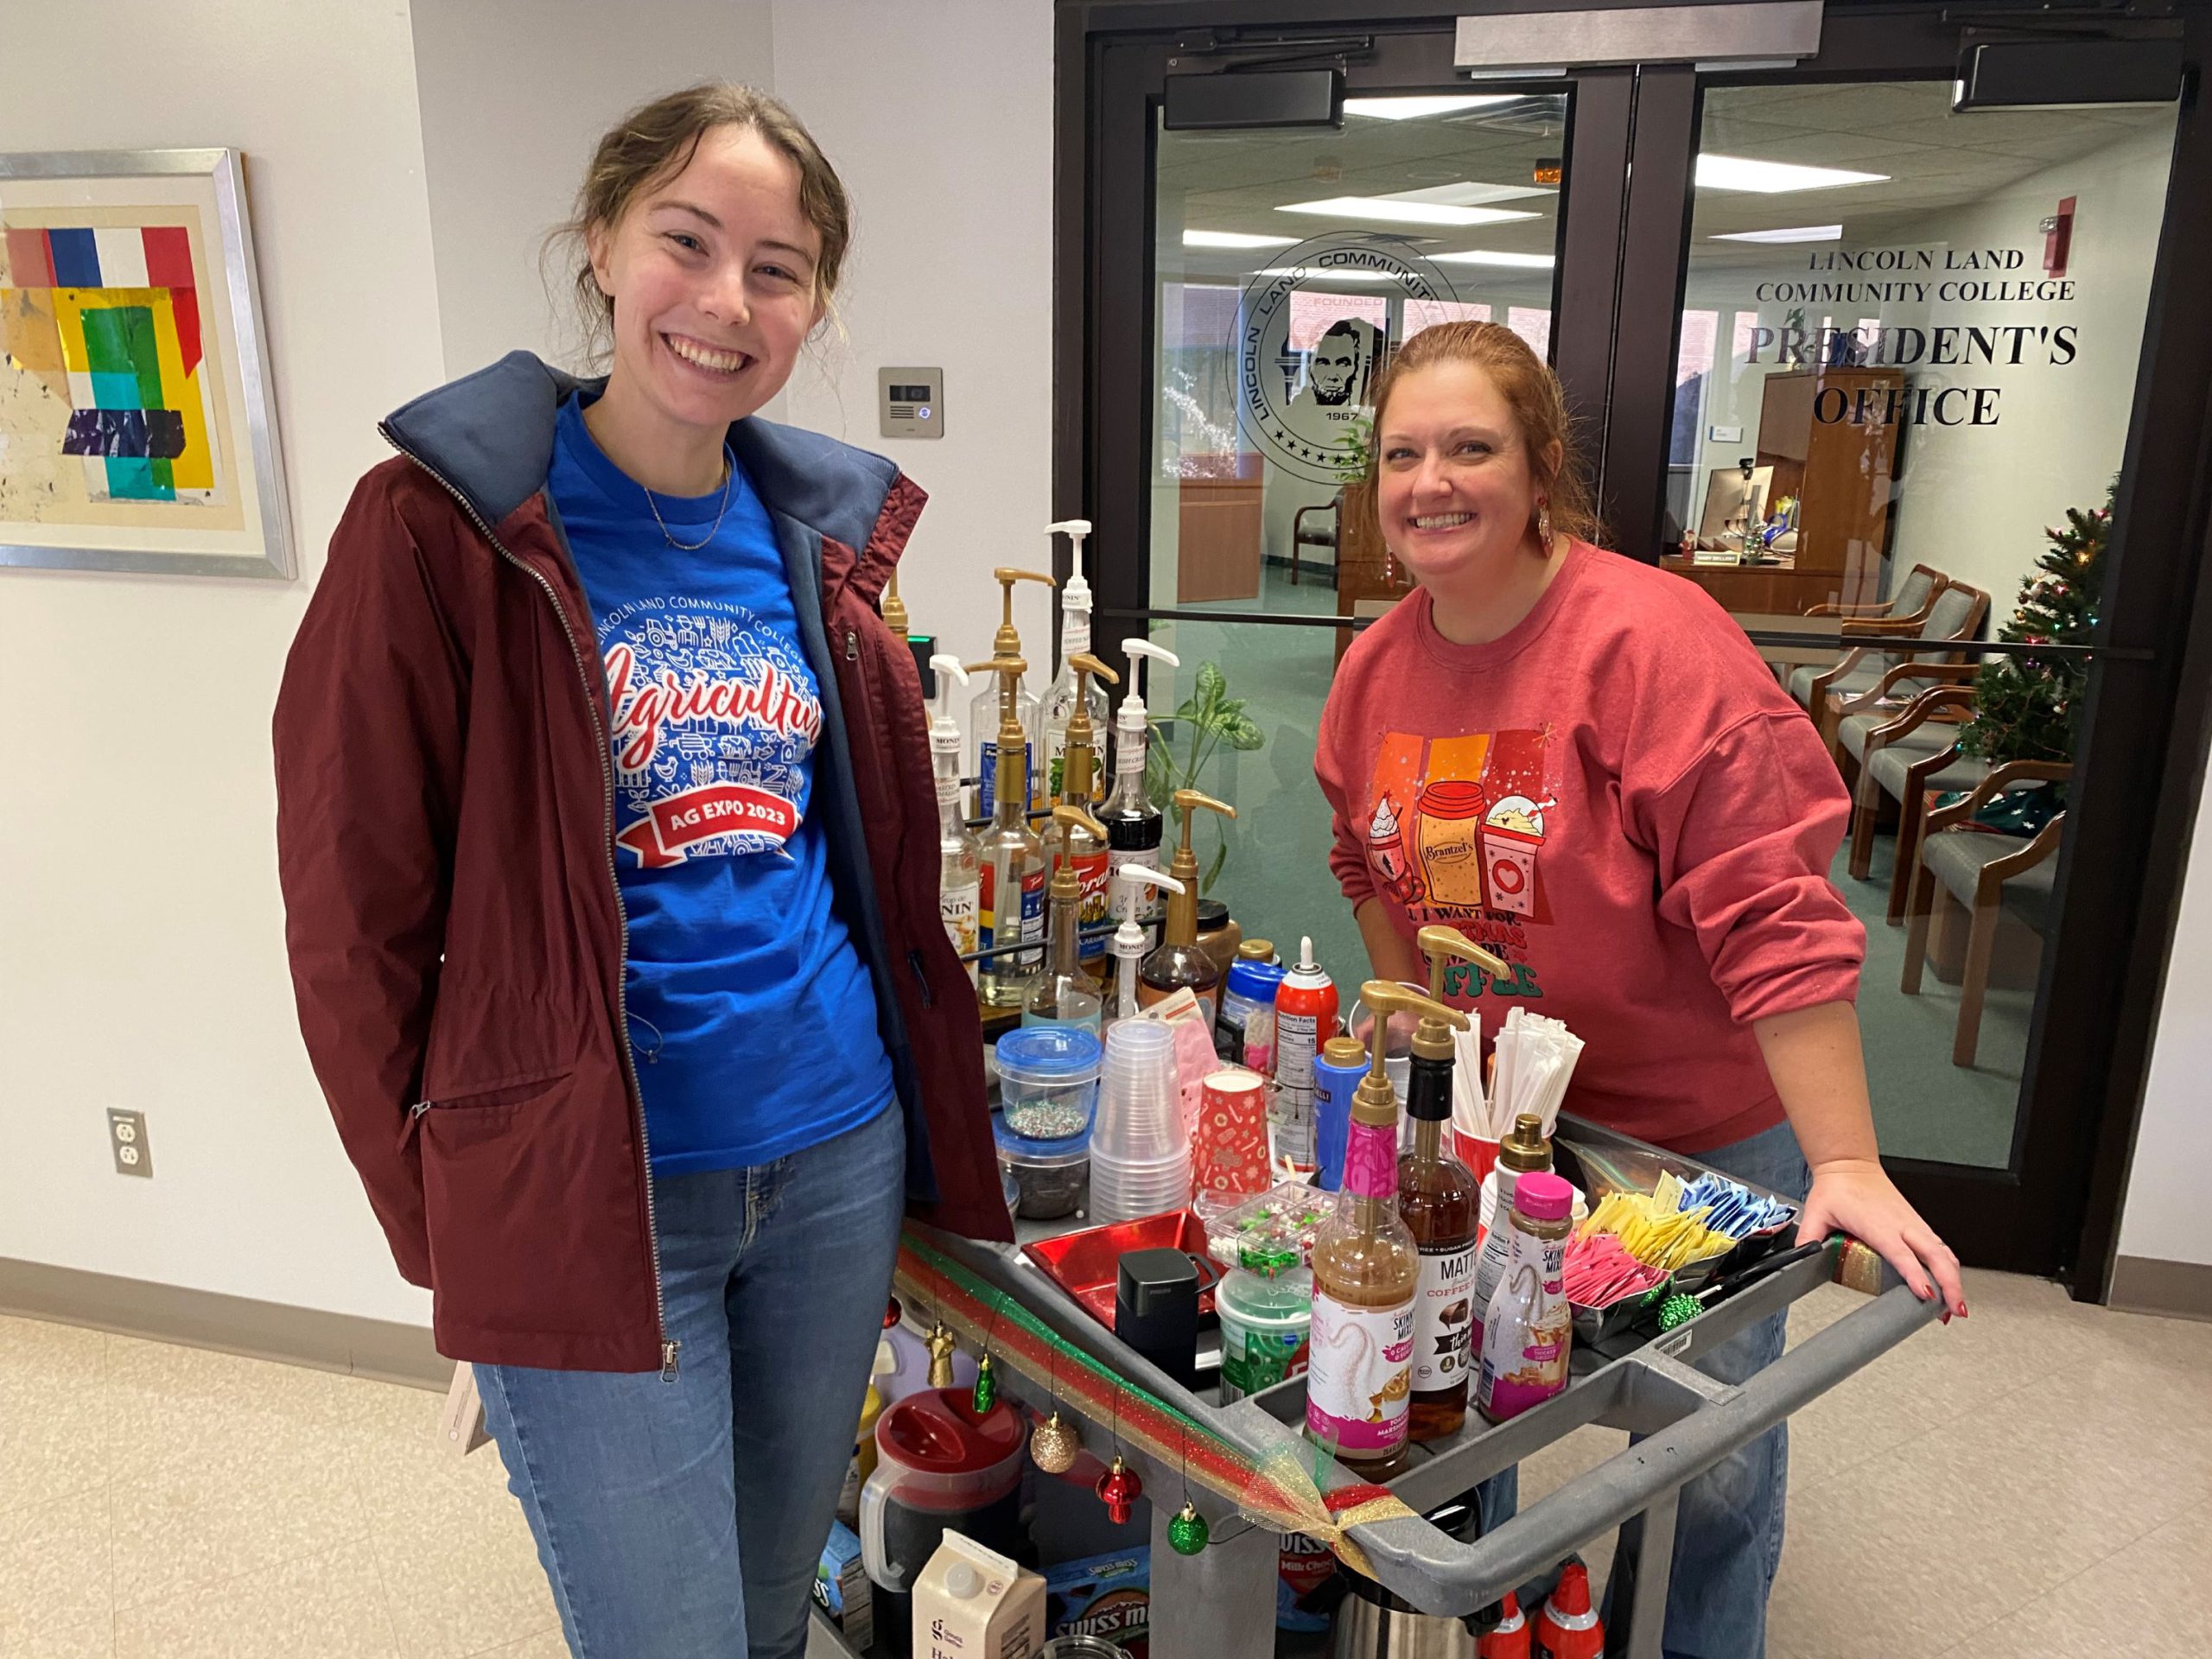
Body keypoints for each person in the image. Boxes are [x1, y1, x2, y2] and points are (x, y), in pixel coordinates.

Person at [272, 83, 1005, 1659]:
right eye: (688, 240)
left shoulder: (822, 540)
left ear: (814, 306)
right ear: (602, 244)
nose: (727, 301)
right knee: (662, 1636)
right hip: (597, 1192)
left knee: (763, 1615)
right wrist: (447, 1212)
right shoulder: (443, 530)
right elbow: (351, 917)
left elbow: (856, 855)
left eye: (781, 267)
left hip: (831, 1162)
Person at [1313, 321, 1967, 1659]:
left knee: (1705, 1448)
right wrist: (1413, 1030)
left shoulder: (1655, 643)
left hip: (1689, 1135)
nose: (1431, 481)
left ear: (1542, 469)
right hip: (1498, 1127)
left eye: (1471, 448)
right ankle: (1481, 1630)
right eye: (1403, 454)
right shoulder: (1378, 663)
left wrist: (1842, 1159)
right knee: (1455, 1393)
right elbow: (1358, 849)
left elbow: (1772, 909)